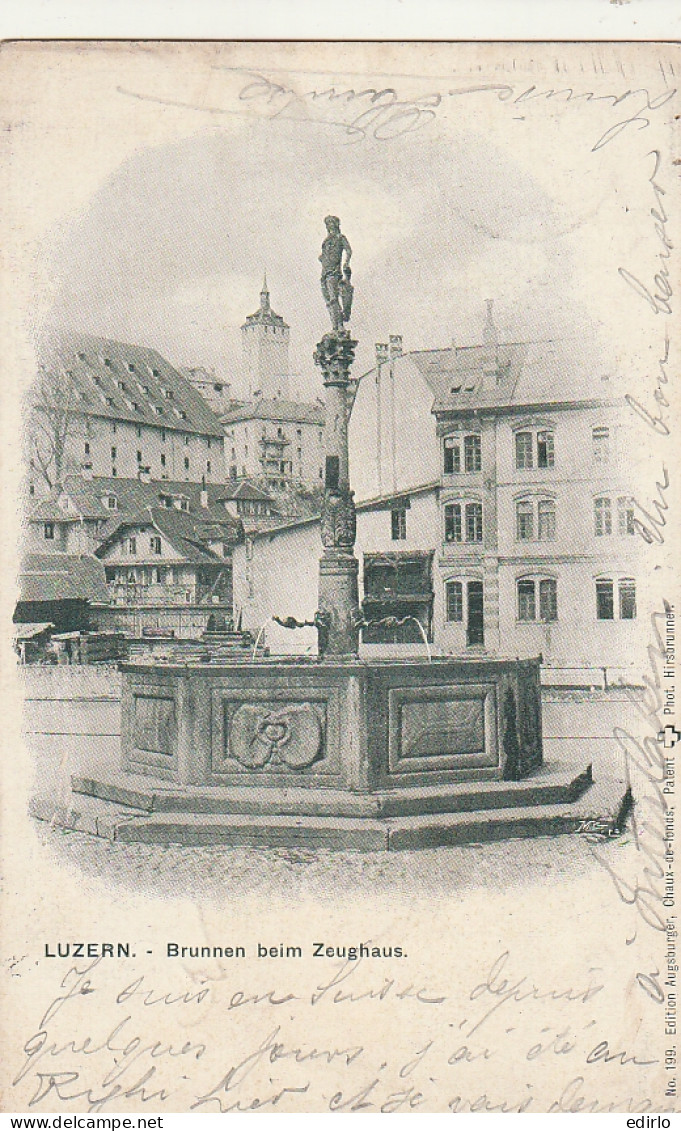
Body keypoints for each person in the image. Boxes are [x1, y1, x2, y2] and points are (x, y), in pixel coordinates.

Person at [319, 215, 352, 331]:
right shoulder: (326, 241)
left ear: (336, 225)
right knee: (328, 301)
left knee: (334, 299)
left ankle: (339, 326)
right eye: (328, 224)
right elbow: (324, 256)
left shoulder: (340, 238)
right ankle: (334, 325)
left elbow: (349, 250)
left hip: (334, 273)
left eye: (331, 223)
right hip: (324, 273)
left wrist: (346, 263)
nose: (329, 226)